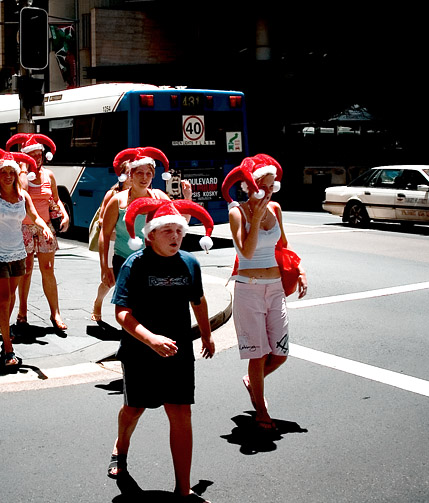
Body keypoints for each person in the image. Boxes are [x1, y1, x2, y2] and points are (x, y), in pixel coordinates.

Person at [107, 197, 215, 503]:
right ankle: (121, 447)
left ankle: (183, 489)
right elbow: (121, 313)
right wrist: (151, 338)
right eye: (167, 231)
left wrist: (206, 336)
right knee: (134, 408)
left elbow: (199, 301)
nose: (175, 237)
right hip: (140, 351)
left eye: (179, 231)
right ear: (150, 234)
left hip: (178, 351)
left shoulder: (190, 263)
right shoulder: (135, 264)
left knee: (181, 412)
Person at [221, 153, 307, 430]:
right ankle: (261, 409)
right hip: (249, 289)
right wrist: (256, 217)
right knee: (257, 355)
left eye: (274, 185)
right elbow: (245, 251)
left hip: (275, 288)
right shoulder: (238, 212)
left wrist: (300, 270)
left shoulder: (276, 210)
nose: (269, 191)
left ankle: (252, 383)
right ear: (251, 185)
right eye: (264, 185)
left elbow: (282, 245)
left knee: (279, 353)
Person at [0, 147, 54, 365]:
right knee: (4, 299)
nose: (8, 176)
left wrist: (43, 227)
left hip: (18, 252)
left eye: (12, 172)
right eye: (4, 172)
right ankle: (8, 346)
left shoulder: (23, 196)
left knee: (11, 297)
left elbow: (35, 216)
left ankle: (5, 331)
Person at [99, 147, 192, 301]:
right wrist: (104, 266)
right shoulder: (117, 201)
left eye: (148, 173)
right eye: (140, 173)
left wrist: (187, 198)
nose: (144, 178)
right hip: (124, 260)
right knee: (126, 301)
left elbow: (179, 225)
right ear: (130, 175)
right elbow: (105, 234)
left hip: (153, 260)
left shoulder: (159, 197)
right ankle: (98, 303)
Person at [5, 133, 69, 332]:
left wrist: (64, 214)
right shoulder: (18, 176)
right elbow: (19, 193)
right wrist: (23, 170)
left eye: (40, 154)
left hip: (45, 228)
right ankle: (22, 312)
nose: (37, 159)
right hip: (23, 229)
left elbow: (55, 199)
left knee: (48, 269)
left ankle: (55, 313)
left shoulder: (49, 175)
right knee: (25, 272)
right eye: (32, 155)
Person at [91, 160, 132, 322]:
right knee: (110, 281)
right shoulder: (112, 194)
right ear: (121, 175)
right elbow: (101, 220)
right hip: (113, 244)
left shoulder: (141, 193)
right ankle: (98, 302)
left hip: (132, 243)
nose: (130, 176)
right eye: (128, 172)